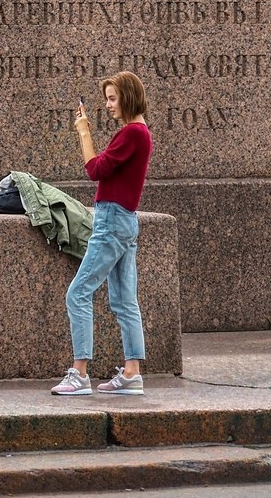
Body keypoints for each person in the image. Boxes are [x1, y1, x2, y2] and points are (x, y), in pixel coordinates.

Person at [51, 71, 153, 397]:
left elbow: (94, 169)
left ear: (128, 96)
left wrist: (83, 132)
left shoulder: (131, 134)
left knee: (78, 294)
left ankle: (80, 373)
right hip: (125, 221)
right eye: (107, 98)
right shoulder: (141, 133)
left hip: (111, 222)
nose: (108, 105)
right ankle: (132, 373)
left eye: (112, 98)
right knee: (124, 301)